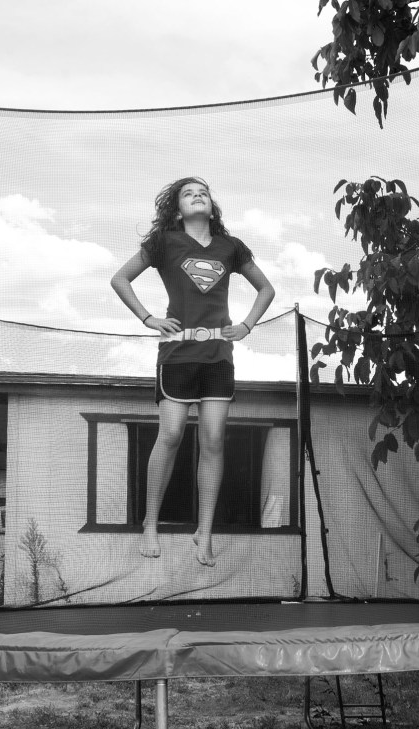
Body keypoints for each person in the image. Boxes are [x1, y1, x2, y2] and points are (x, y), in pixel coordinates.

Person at [111, 177, 275, 566]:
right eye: (188, 193)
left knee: (214, 438)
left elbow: (266, 289)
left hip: (219, 354)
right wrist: (148, 317)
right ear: (177, 207)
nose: (197, 196)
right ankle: (151, 523)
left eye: (202, 192)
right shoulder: (164, 243)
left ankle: (205, 530)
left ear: (211, 204)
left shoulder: (230, 247)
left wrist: (247, 325)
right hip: (178, 353)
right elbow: (120, 279)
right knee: (170, 434)